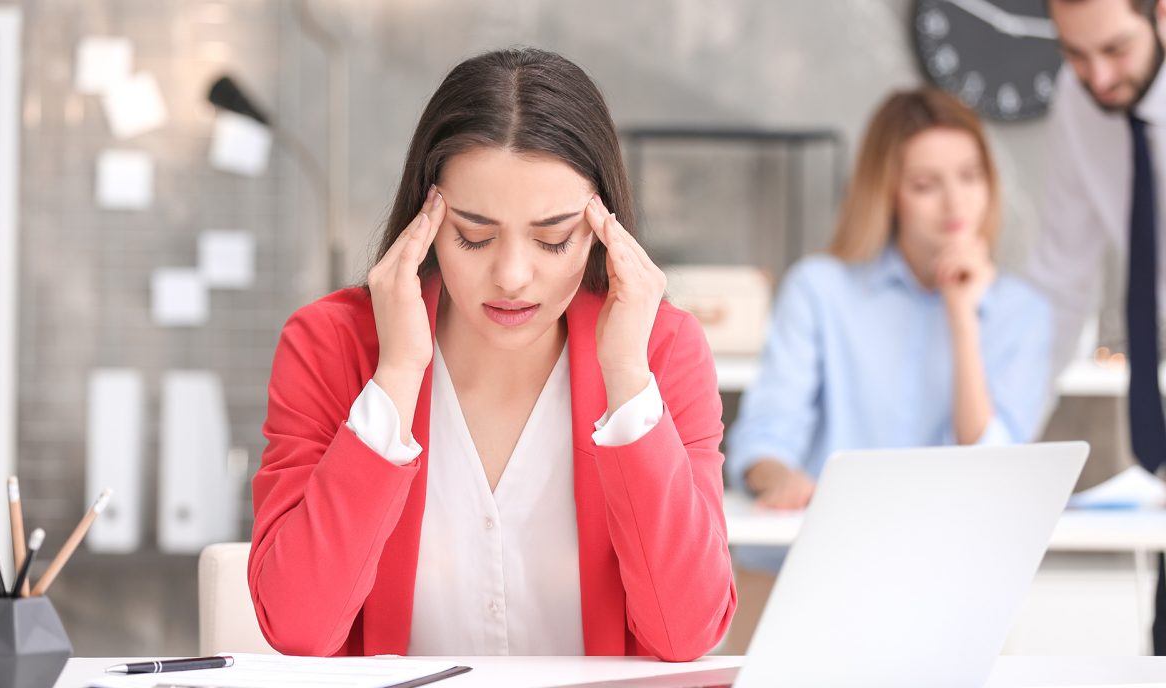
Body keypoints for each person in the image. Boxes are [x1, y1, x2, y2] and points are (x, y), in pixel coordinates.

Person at [248, 48, 735, 661]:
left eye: (553, 239)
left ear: (601, 228)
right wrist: (395, 377)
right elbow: (297, 626)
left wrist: (629, 382)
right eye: (473, 236)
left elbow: (686, 632)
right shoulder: (330, 346)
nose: (511, 275)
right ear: (424, 217)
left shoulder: (661, 350)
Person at [723, 87, 1052, 653]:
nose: (955, 204)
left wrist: (962, 318)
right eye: (926, 185)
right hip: (802, 576)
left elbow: (994, 470)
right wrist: (778, 475)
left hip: (948, 588)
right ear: (890, 193)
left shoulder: (1023, 315)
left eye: (970, 176)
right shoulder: (820, 289)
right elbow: (766, 432)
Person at [1030, 0, 1166, 654]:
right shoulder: (1080, 100)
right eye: (1075, 54)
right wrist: (1000, 440)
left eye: (1115, 49)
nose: (1099, 77)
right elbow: (1060, 282)